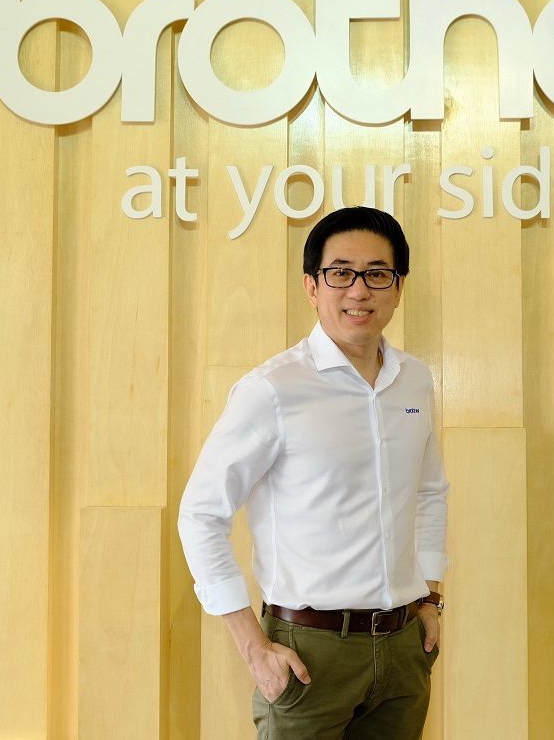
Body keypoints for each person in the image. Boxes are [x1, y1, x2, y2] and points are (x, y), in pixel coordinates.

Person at [178, 206, 449, 739]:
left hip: (403, 647)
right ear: (311, 286)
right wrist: (253, 647)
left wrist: (431, 599)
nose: (359, 290)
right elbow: (201, 514)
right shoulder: (273, 389)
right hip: (309, 653)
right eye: (340, 272)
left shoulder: (415, 381)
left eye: (377, 274)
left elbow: (429, 492)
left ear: (398, 288)